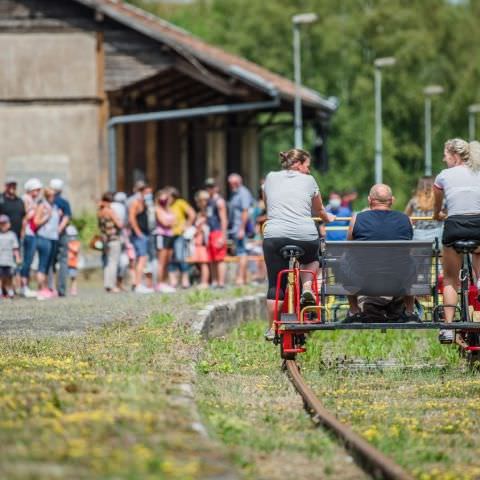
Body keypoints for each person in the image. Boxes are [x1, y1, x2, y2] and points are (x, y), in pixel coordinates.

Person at [263, 149, 335, 341]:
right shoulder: (309, 181)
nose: (309, 171)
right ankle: (307, 287)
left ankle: (272, 328)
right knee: (312, 259)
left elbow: (267, 204)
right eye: (307, 166)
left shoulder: (269, 178)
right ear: (298, 164)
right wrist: (328, 218)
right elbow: (319, 209)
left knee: (275, 285)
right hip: (304, 234)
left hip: (274, 235)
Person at [345, 184, 417, 322]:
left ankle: (354, 311)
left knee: (345, 259)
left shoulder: (357, 219)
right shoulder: (405, 219)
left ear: (369, 200)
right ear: (392, 200)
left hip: (365, 280)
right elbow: (408, 249)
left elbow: (349, 248)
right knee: (411, 260)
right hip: (398, 280)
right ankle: (409, 311)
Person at [433, 138, 480, 343]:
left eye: (445, 155)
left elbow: (438, 204)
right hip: (478, 225)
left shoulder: (444, 175)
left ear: (454, 155)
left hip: (454, 226)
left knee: (451, 278)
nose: (444, 159)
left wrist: (438, 214)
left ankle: (448, 328)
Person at [34, 188, 61, 300]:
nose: (53, 196)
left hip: (53, 238)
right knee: (43, 265)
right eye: (50, 195)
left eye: (54, 194)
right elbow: (36, 221)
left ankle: (47, 288)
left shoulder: (54, 206)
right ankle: (41, 290)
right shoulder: (42, 206)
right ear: (46, 195)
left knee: (49, 265)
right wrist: (47, 216)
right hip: (43, 237)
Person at [227, 173, 254, 285]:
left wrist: (241, 229)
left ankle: (240, 279)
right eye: (231, 183)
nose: (232, 185)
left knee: (242, 252)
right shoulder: (235, 194)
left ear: (239, 182)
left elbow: (245, 211)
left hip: (240, 228)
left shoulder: (243, 193)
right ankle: (243, 278)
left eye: (235, 183)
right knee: (239, 252)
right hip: (235, 228)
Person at [167, 187, 196, 289]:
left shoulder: (180, 203)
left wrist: (186, 225)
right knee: (170, 258)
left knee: (180, 257)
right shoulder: (165, 205)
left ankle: (185, 279)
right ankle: (173, 281)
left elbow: (192, 214)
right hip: (167, 235)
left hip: (179, 234)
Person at [128, 184, 153, 293]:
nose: (149, 195)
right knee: (141, 259)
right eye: (147, 193)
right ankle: (137, 284)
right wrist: (138, 232)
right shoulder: (136, 203)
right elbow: (131, 218)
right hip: (140, 235)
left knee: (144, 259)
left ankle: (143, 284)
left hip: (146, 233)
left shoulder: (146, 204)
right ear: (142, 192)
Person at [20, 178, 43, 297]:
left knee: (29, 261)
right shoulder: (25, 199)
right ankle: (23, 287)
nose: (38, 192)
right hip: (27, 233)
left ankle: (26, 286)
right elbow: (24, 217)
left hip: (32, 233)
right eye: (36, 190)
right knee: (26, 261)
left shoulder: (34, 200)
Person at [50, 179, 72, 297]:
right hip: (61, 233)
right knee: (63, 261)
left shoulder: (48, 201)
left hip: (49, 234)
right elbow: (67, 217)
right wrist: (60, 229)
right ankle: (61, 289)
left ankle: (50, 288)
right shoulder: (64, 202)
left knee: (50, 262)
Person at [97, 192, 123, 293]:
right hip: (113, 238)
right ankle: (111, 285)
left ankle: (107, 284)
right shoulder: (110, 211)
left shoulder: (99, 211)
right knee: (113, 262)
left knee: (107, 263)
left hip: (104, 239)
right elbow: (119, 224)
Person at [205, 178, 228, 288]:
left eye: (212, 186)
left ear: (216, 188)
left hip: (218, 232)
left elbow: (224, 219)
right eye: (208, 187)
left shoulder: (219, 201)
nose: (210, 189)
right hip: (210, 232)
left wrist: (223, 236)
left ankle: (221, 282)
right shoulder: (208, 200)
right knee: (212, 258)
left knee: (219, 258)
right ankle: (214, 281)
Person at [405, 177, 444, 241]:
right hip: (436, 234)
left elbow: (405, 216)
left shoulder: (413, 201)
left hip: (419, 234)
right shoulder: (441, 201)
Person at [187, 190, 211, 288]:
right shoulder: (199, 213)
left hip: (202, 241)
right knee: (199, 263)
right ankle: (203, 280)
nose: (200, 203)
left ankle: (205, 282)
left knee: (203, 262)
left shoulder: (207, 213)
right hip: (197, 240)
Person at [154, 188, 176, 293]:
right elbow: (164, 223)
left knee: (168, 260)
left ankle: (165, 282)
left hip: (170, 235)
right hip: (161, 235)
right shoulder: (157, 209)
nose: (164, 200)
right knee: (161, 261)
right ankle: (159, 283)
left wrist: (171, 223)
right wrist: (171, 223)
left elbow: (174, 221)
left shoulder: (168, 209)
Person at [0, 177, 26, 243]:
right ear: (6, 186)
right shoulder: (1, 199)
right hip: (3, 236)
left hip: (17, 236)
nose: (12, 187)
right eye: (10, 185)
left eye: (14, 185)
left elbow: (23, 217)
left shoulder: (19, 201)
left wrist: (23, 231)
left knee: (16, 252)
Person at [0, 214, 20, 298]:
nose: (3, 225)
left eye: (5, 223)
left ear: (9, 224)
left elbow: (15, 248)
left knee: (9, 277)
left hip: (9, 261)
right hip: (0, 260)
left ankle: (10, 291)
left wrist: (18, 258)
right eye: (1, 224)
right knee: (0, 277)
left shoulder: (12, 235)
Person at [66, 224, 80, 296]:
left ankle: (74, 290)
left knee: (73, 277)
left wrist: (68, 245)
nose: (72, 237)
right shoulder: (66, 243)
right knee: (65, 277)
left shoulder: (76, 243)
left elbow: (76, 250)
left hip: (73, 263)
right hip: (66, 263)